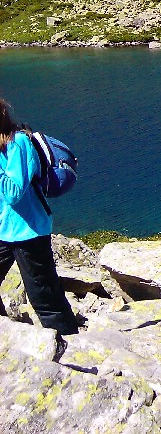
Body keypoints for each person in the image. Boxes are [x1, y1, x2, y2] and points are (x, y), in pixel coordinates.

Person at [0, 98, 78, 337]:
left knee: (44, 298)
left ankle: (70, 345)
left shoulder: (19, 143)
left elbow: (14, 193)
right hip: (3, 230)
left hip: (29, 232)